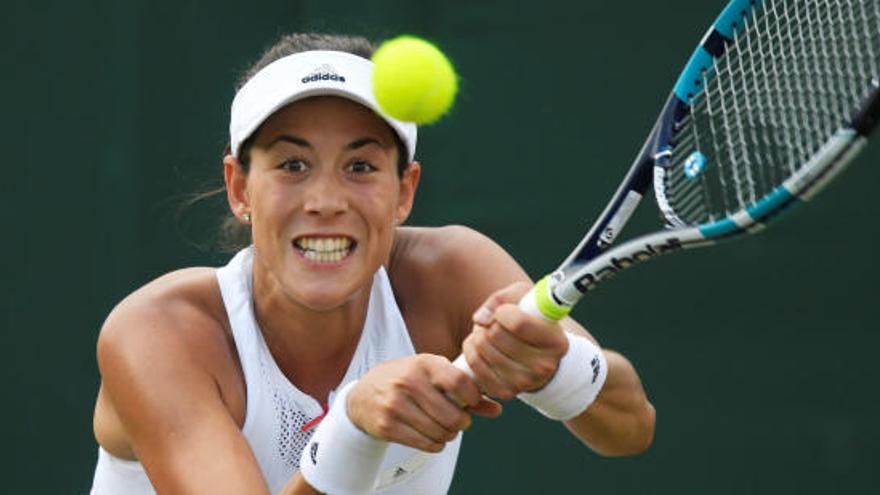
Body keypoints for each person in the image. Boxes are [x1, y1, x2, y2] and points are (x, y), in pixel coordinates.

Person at [90, 32, 655, 495]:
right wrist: (352, 427)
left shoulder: (451, 271)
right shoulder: (158, 332)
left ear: (404, 192)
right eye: (292, 164)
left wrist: (557, 369)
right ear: (239, 188)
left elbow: (630, 426)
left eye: (360, 168)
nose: (326, 200)